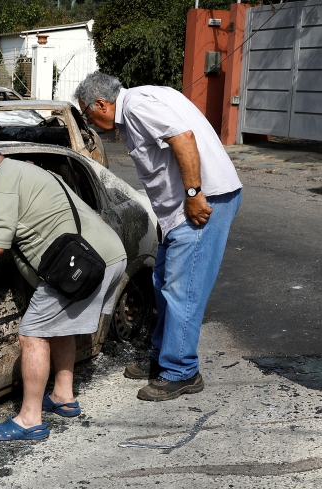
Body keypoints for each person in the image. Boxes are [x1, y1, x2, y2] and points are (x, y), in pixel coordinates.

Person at [0, 133, 127, 440]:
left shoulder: (1, 186)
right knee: (57, 328)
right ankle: (63, 396)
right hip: (104, 255)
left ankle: (29, 419)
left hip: (81, 266)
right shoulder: (21, 169)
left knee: (32, 334)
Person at [73, 72, 243, 401]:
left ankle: (181, 372)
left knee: (183, 288)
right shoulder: (138, 104)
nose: (87, 120)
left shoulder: (136, 106)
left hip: (204, 200)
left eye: (86, 112)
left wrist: (194, 193)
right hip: (181, 208)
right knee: (163, 281)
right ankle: (164, 357)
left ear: (102, 105)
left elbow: (183, 138)